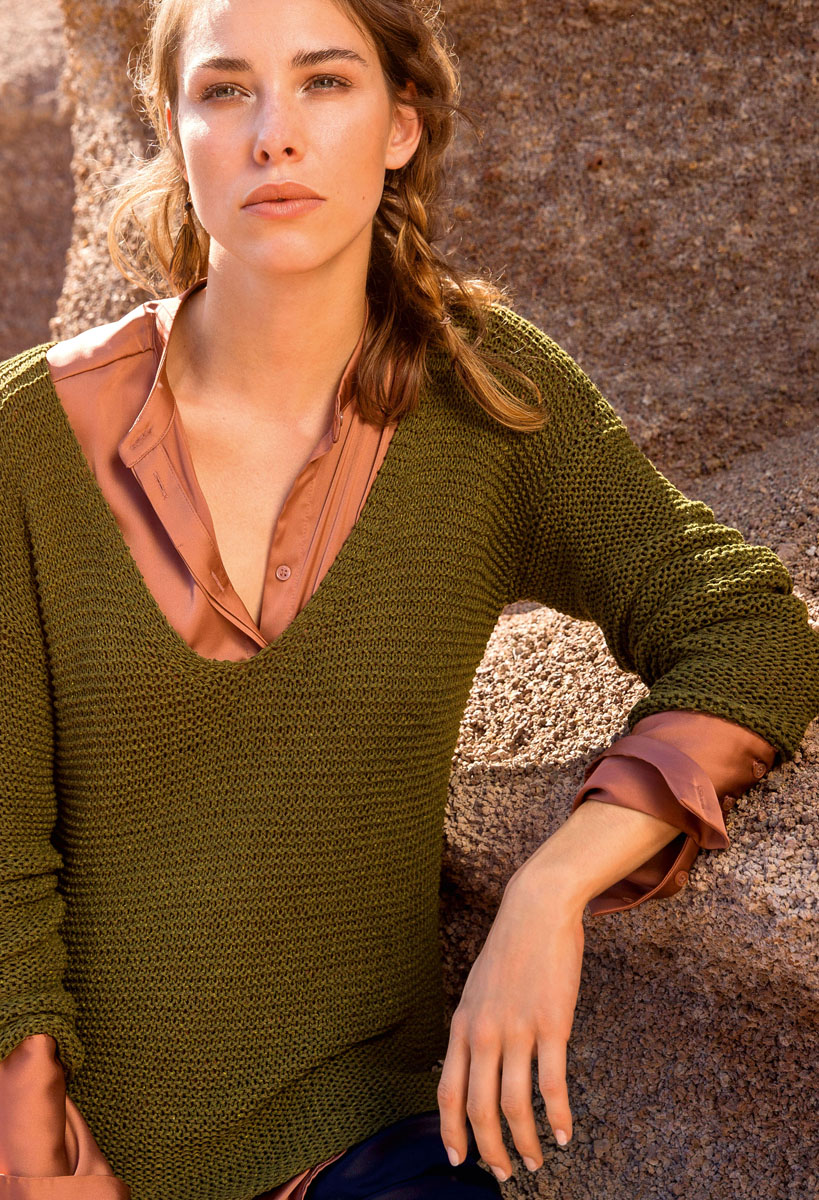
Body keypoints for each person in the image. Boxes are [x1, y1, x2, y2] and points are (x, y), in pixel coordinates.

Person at [1, 0, 817, 1197]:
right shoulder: (29, 438)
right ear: (173, 130)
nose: (274, 133)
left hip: (351, 1145)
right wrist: (38, 1161)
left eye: (325, 81)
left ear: (402, 124)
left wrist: (554, 885)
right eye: (226, 89)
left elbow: (743, 625)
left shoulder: (487, 396)